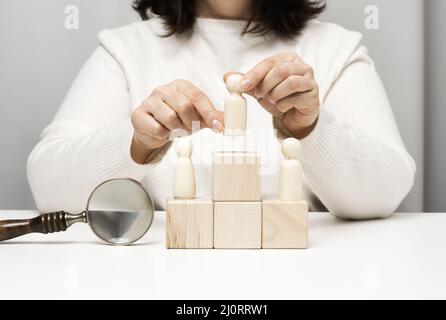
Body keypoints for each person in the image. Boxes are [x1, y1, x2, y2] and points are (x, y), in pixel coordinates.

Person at [27, 0, 416, 220]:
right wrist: (138, 143)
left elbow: (384, 195)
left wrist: (311, 128)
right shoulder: (124, 50)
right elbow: (49, 191)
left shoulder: (336, 49)